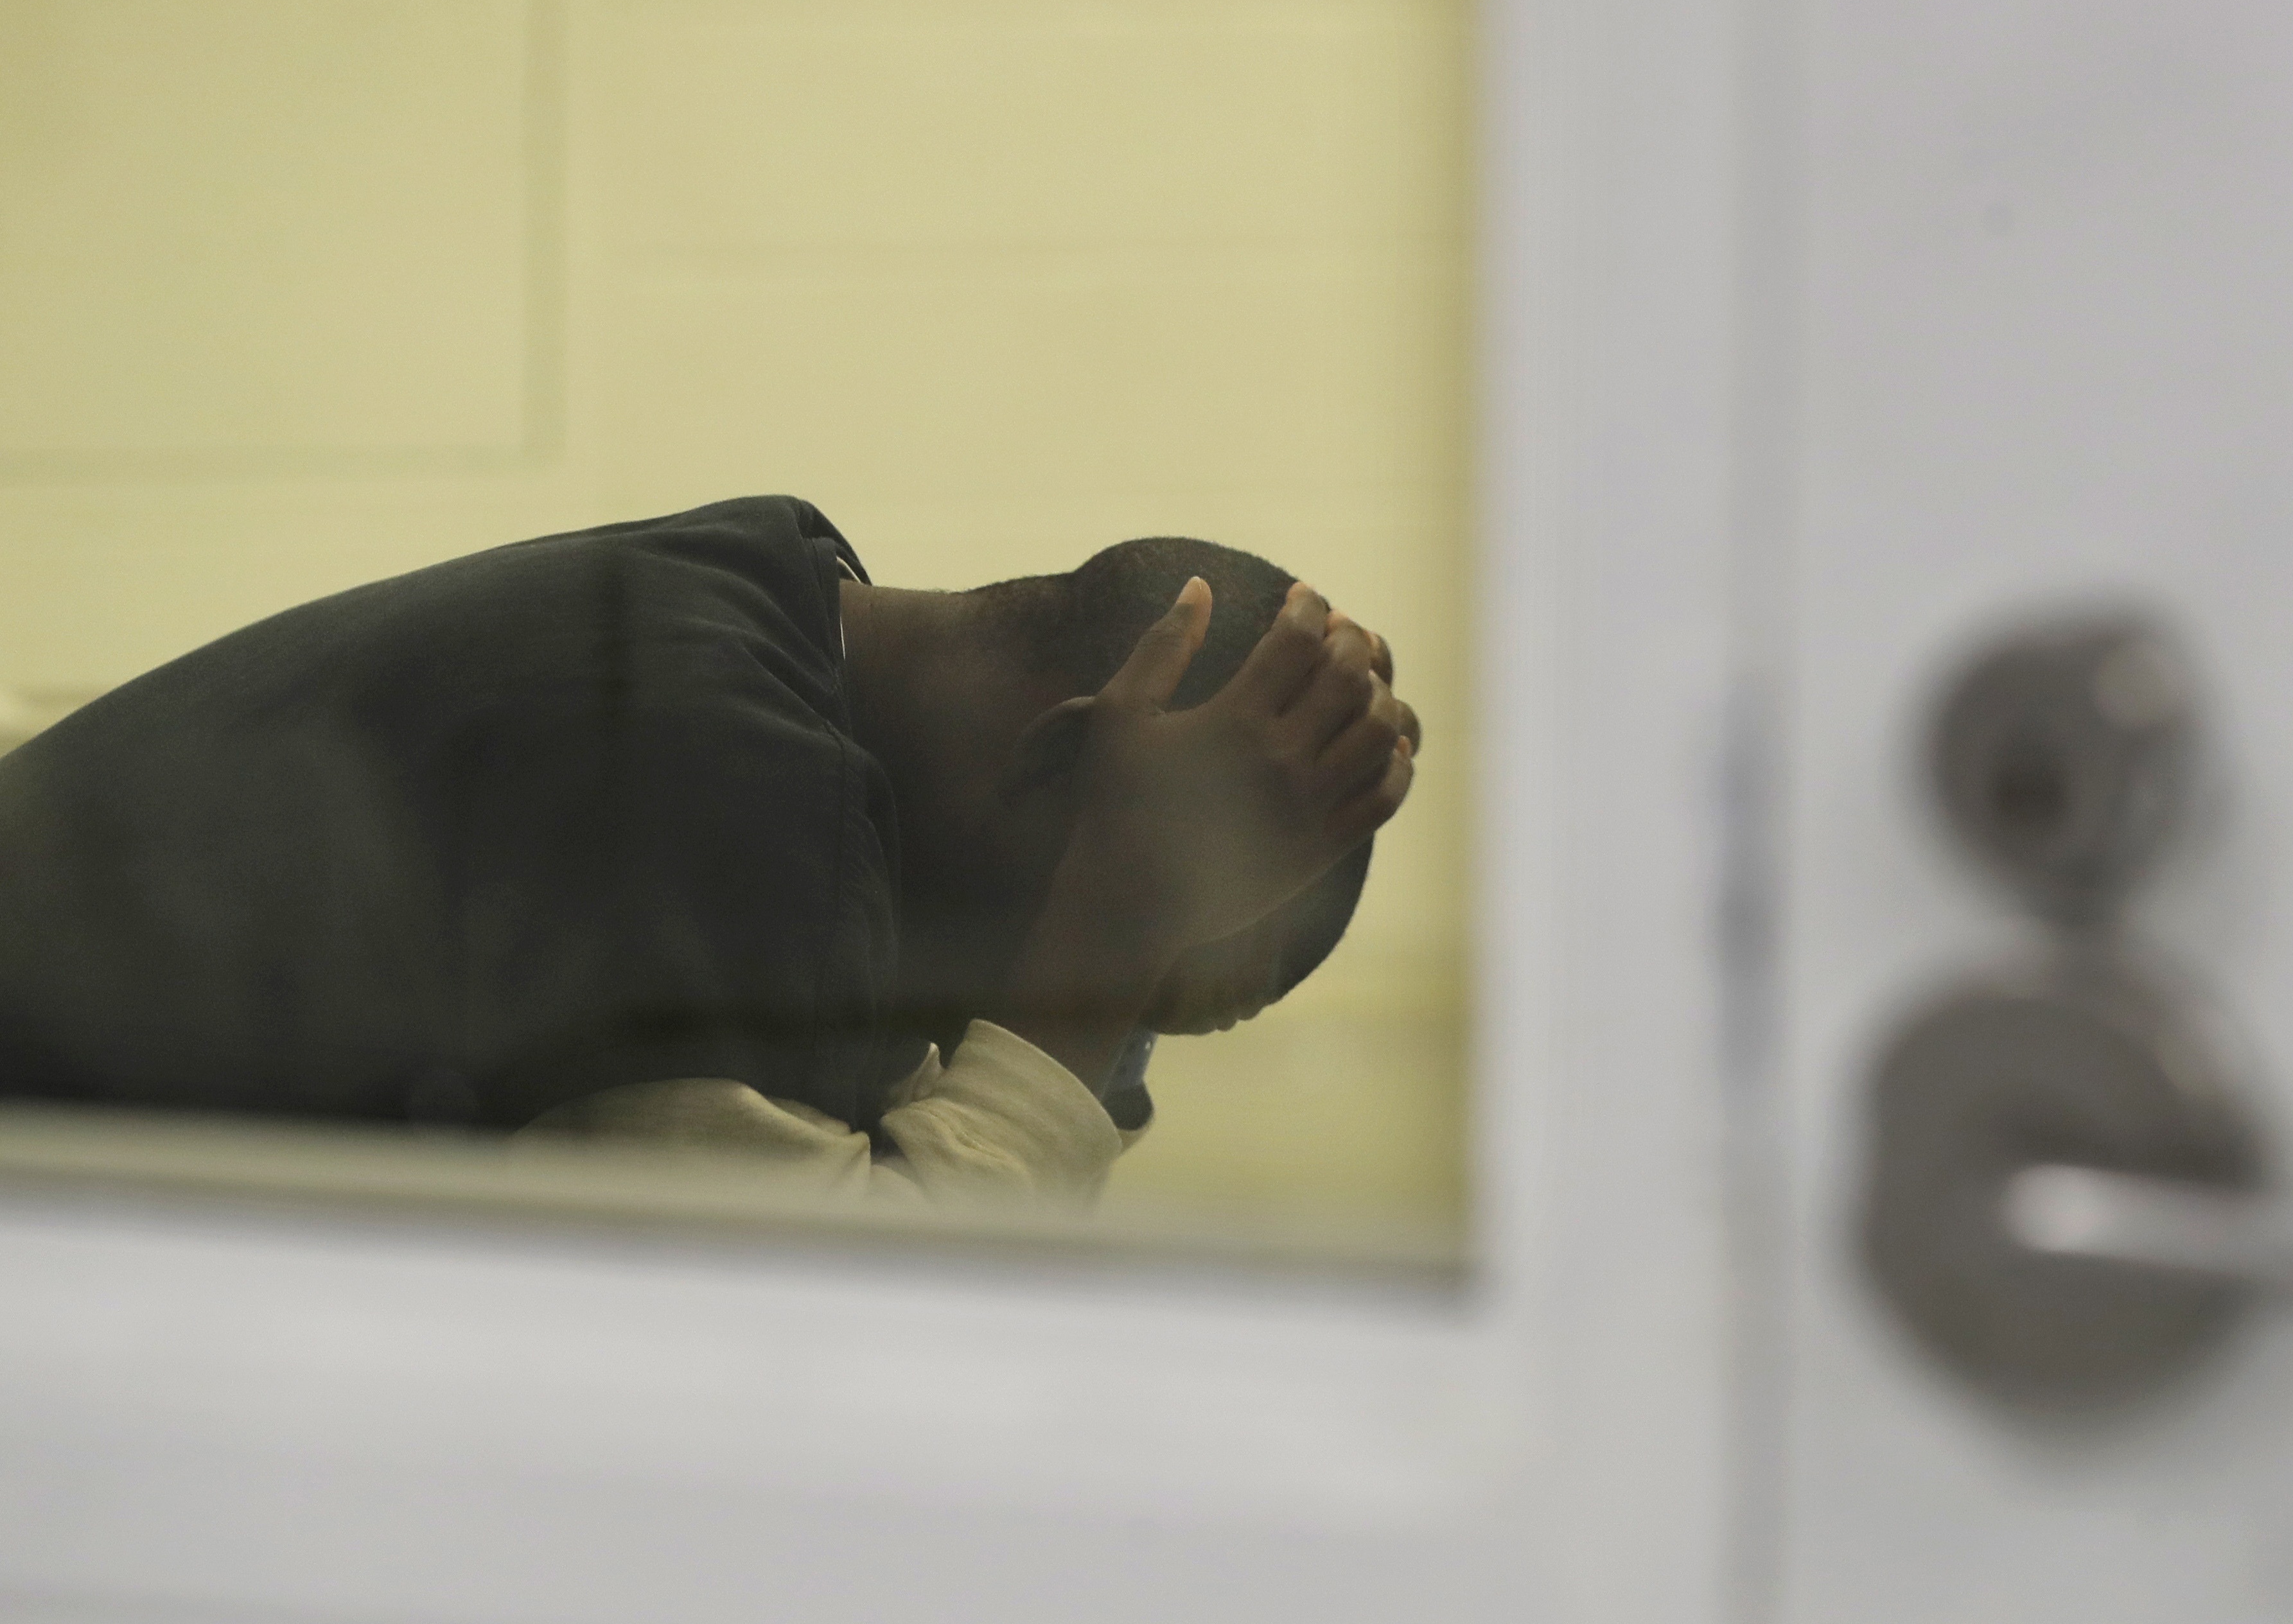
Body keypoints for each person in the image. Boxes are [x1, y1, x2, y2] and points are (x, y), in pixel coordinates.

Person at [0, 496, 1419, 1205]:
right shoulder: (718, 771)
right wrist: (1103, 944)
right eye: (1141, 971)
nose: (1100, 1030)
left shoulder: (772, 624)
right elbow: (813, 1374)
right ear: (1057, 771)